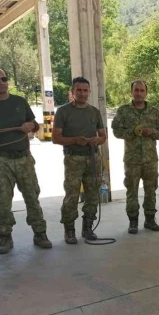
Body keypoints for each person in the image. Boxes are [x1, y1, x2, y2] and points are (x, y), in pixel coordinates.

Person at [0, 67, 52, 254]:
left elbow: (35, 125)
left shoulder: (19, 102)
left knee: (32, 196)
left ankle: (40, 233)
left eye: (3, 79)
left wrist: (30, 126)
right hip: (0, 160)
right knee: (2, 199)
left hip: (23, 157)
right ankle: (5, 237)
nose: (1, 82)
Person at [52, 77, 106, 244]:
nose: (82, 93)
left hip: (93, 157)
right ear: (73, 92)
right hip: (73, 158)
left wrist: (97, 140)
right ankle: (69, 230)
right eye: (79, 90)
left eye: (85, 90)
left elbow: (103, 135)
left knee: (92, 194)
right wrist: (75, 140)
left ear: (89, 92)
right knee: (72, 195)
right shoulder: (63, 112)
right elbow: (55, 138)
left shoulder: (94, 112)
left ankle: (87, 227)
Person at [112, 81, 159, 234]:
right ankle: (133, 222)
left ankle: (150, 220)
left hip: (150, 160)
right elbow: (116, 131)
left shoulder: (154, 112)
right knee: (132, 191)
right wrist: (132, 131)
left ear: (146, 93)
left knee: (151, 190)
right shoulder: (123, 111)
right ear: (131, 92)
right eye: (136, 90)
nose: (139, 93)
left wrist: (152, 132)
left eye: (142, 90)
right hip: (132, 160)